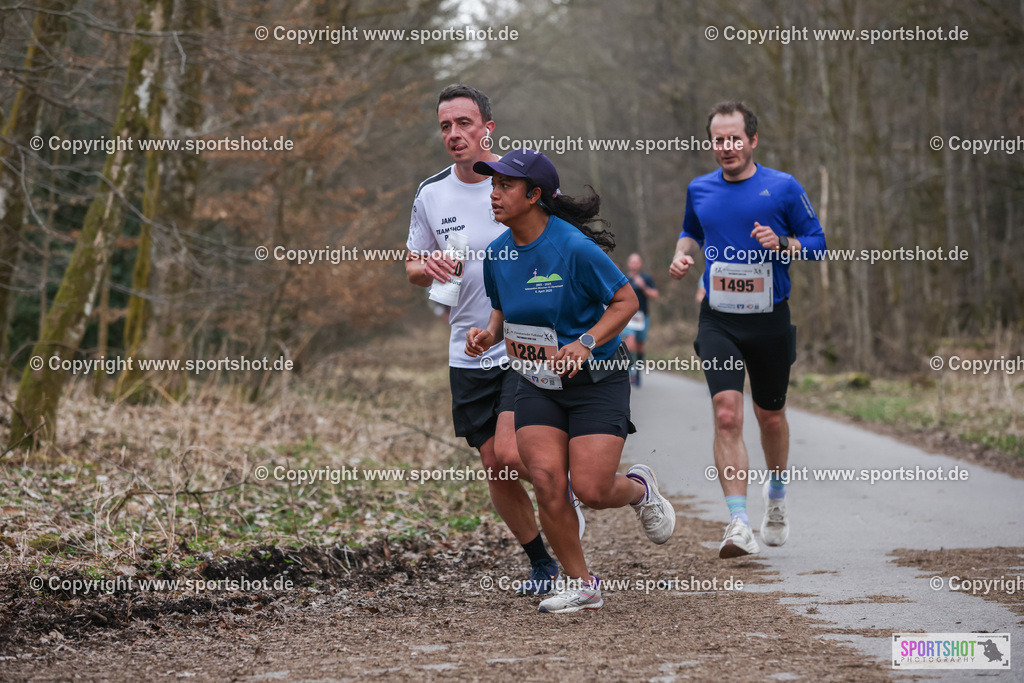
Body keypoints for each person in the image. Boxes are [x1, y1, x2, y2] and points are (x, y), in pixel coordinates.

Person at [466, 148, 676, 613]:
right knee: (545, 480)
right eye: (493, 185)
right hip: (537, 380)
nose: (495, 194)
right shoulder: (497, 254)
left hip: (597, 378)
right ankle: (581, 583)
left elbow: (625, 302)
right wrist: (488, 334)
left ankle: (640, 488)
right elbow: (503, 309)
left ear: (535, 195)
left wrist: (584, 340)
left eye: (505, 186)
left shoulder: (573, 248)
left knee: (592, 490)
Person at [405, 85, 576, 596]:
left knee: (510, 452)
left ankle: (562, 490)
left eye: (464, 123)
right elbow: (413, 265)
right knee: (493, 468)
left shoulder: (519, 180)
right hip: (466, 345)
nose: (454, 134)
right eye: (445, 126)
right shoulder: (430, 194)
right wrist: (426, 267)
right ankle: (542, 562)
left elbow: (561, 244)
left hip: (524, 342)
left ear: (487, 128)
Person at [668, 101, 826, 558]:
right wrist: (682, 255)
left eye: (735, 138)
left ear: (752, 140)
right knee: (726, 413)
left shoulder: (783, 188)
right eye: (719, 139)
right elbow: (689, 231)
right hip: (718, 317)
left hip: (769, 317)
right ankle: (737, 522)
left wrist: (784, 243)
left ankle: (775, 495)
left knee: (770, 416)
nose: (727, 147)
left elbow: (818, 245)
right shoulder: (699, 189)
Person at [622, 253, 659, 386]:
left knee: (640, 346)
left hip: (643, 316)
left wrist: (643, 286)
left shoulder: (646, 278)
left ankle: (637, 373)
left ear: (641, 264)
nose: (634, 264)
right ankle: (629, 372)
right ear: (628, 263)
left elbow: (655, 295)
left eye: (636, 261)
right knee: (630, 342)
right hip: (628, 317)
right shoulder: (624, 279)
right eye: (632, 261)